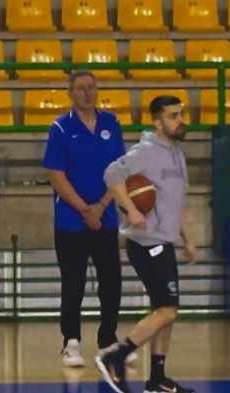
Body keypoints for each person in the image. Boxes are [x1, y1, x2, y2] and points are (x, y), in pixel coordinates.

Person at [94, 95, 199, 393]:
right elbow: (111, 174)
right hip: (147, 244)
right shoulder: (146, 152)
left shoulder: (177, 155)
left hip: (164, 242)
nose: (179, 120)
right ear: (158, 122)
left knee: (165, 311)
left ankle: (157, 379)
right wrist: (130, 208)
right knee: (167, 310)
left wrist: (187, 239)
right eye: (172, 116)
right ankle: (115, 355)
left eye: (181, 114)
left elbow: (176, 203)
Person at [42, 70, 132, 368]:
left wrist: (102, 205)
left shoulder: (111, 123)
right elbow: (56, 175)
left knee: (111, 282)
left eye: (91, 87)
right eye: (81, 88)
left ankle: (108, 340)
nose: (87, 92)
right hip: (71, 220)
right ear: (70, 92)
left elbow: (119, 167)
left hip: (105, 217)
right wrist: (84, 209)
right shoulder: (61, 128)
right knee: (74, 283)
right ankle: (71, 342)